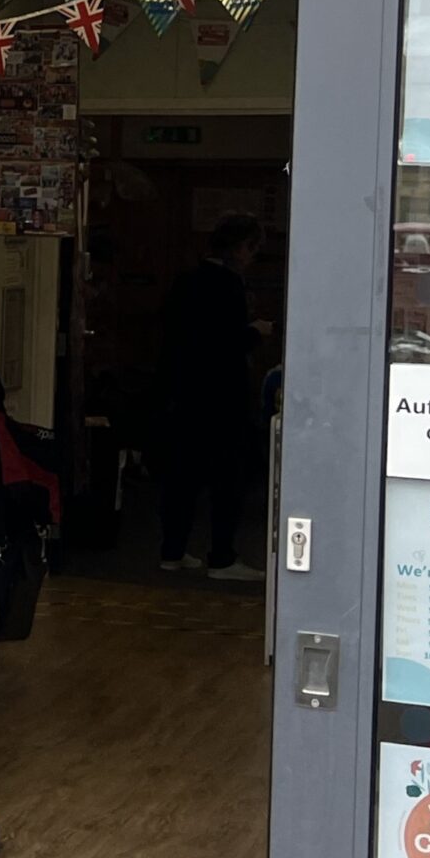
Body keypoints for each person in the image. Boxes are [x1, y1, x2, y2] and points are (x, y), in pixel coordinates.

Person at [157, 213, 265, 582]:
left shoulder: (186, 280)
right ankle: (222, 556)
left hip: (185, 393)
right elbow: (227, 344)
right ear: (238, 247)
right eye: (251, 247)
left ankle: (172, 551)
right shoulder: (229, 285)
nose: (253, 256)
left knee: (182, 478)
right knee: (227, 479)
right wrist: (256, 333)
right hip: (222, 396)